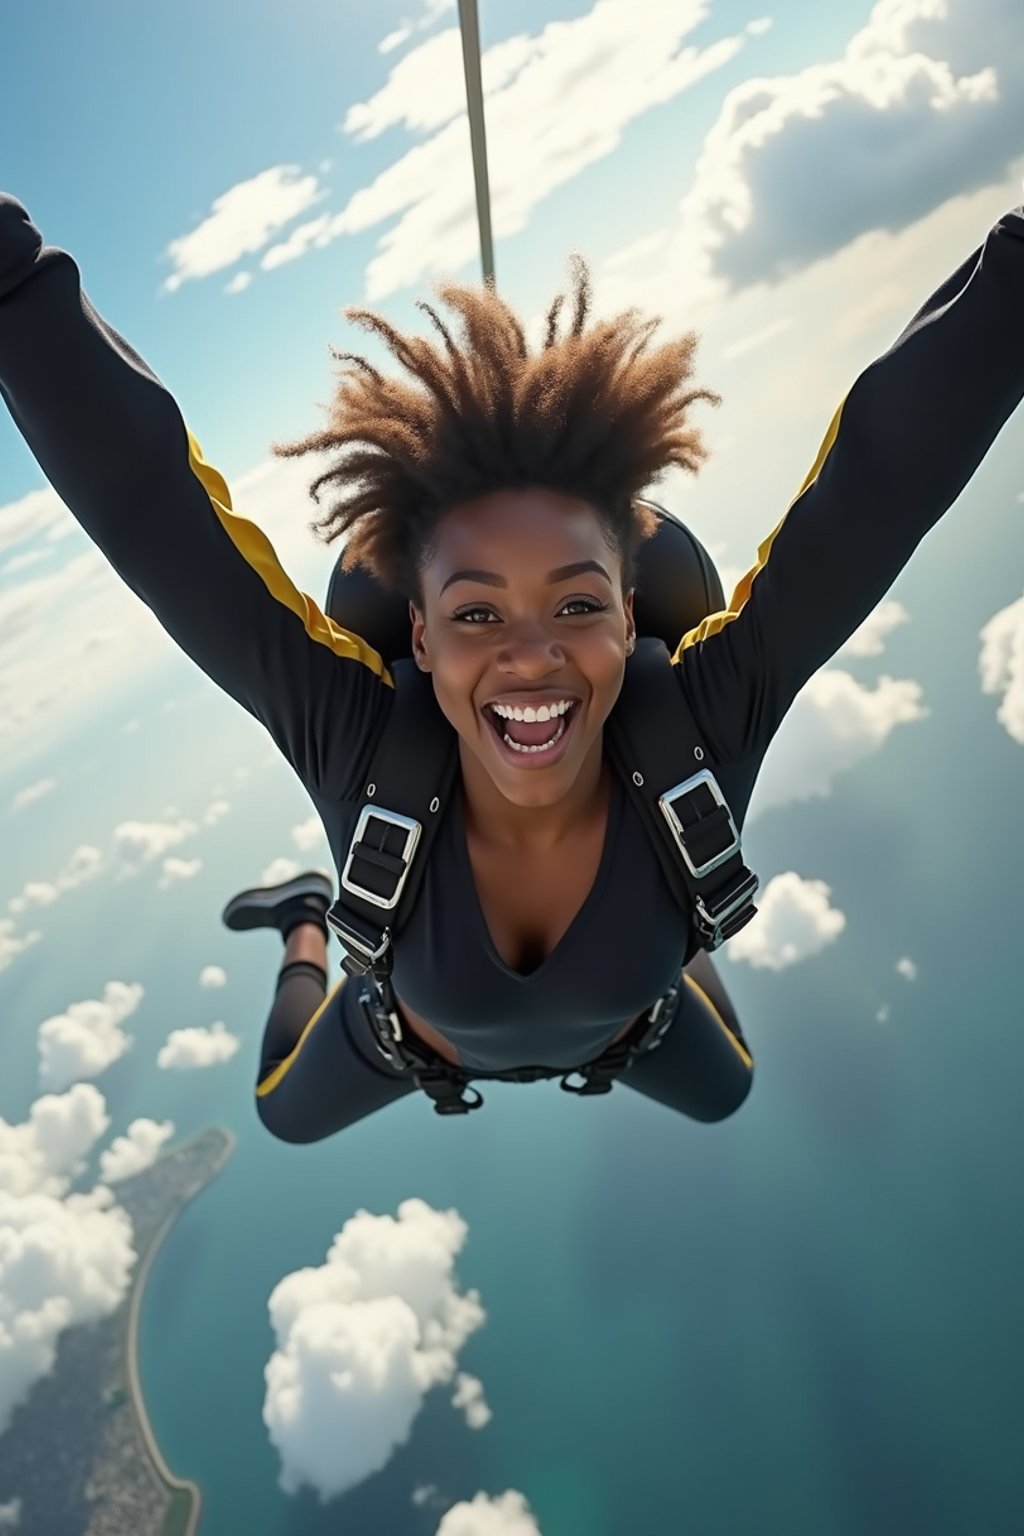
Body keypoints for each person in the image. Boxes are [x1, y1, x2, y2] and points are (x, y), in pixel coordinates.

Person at [2, 190, 1022, 1145]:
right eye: (476, 611)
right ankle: (308, 921)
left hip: (632, 1017)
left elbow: (883, 484)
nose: (530, 655)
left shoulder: (698, 720)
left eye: (576, 604)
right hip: (432, 1038)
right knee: (282, 1112)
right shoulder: (360, 741)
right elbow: (151, 512)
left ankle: (669, 913)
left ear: (630, 615)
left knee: (730, 1092)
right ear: (420, 635)